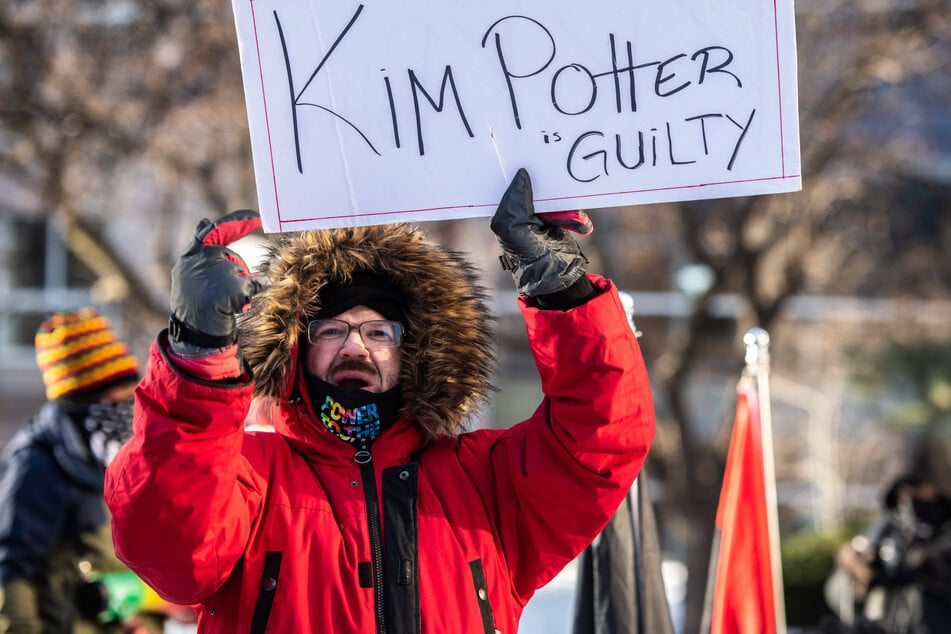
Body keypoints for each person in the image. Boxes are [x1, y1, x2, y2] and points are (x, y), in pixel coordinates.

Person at [105, 168, 656, 632]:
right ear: (295, 347)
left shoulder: (486, 484)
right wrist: (197, 352)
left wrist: (562, 288)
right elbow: (168, 545)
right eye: (330, 330)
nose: (355, 347)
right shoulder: (249, 477)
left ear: (415, 353)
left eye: (380, 333)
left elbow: (602, 439)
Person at [0, 307, 145, 633]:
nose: (126, 405)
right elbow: (12, 572)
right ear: (82, 401)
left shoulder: (116, 458)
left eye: (129, 391)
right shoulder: (37, 465)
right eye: (114, 395)